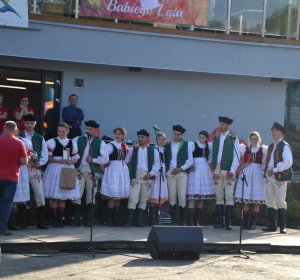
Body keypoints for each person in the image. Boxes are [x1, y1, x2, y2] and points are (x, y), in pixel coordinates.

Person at [43, 123, 80, 227]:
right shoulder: (51, 142)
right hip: (55, 169)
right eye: (59, 131)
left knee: (63, 196)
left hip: (67, 169)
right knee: (54, 196)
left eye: (63, 131)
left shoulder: (72, 143)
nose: (61, 133)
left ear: (67, 131)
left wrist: (70, 162)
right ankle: (54, 220)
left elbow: (76, 158)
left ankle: (60, 220)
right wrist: (58, 161)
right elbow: (47, 158)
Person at [73, 120, 108, 227]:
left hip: (92, 171)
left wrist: (93, 159)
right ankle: (76, 219)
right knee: (77, 195)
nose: (88, 130)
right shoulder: (77, 139)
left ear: (95, 130)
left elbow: (105, 159)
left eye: (91, 129)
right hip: (79, 170)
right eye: (87, 128)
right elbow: (71, 152)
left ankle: (88, 220)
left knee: (91, 195)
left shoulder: (100, 142)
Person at [262, 122, 293, 234]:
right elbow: (266, 161)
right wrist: (265, 173)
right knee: (270, 200)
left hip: (279, 176)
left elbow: (288, 162)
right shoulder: (271, 146)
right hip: (269, 176)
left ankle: (282, 226)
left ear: (281, 133)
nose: (272, 132)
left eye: (275, 130)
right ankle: (272, 225)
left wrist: (274, 170)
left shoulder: (284, 146)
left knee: (280, 201)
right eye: (272, 130)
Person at [125, 129, 160, 227]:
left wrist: (151, 173)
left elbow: (158, 164)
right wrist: (129, 150)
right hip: (136, 175)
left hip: (147, 175)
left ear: (147, 138)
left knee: (144, 199)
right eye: (139, 137)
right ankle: (130, 220)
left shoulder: (153, 150)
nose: (140, 139)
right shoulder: (133, 149)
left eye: (142, 137)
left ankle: (140, 221)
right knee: (133, 197)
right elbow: (126, 161)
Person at [235, 131, 267, 230]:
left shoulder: (263, 149)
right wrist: (242, 164)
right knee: (245, 200)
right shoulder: (244, 148)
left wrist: (264, 170)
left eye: (256, 139)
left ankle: (253, 223)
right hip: (247, 173)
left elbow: (265, 162)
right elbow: (235, 153)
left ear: (258, 139)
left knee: (256, 201)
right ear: (250, 139)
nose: (254, 140)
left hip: (257, 174)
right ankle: (245, 222)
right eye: (252, 139)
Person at [211, 116, 239, 230]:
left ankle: (228, 222)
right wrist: (213, 167)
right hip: (217, 169)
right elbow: (213, 153)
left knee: (228, 195)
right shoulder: (216, 138)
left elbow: (236, 156)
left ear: (227, 126)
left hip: (228, 170)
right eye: (220, 124)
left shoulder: (233, 138)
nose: (220, 126)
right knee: (218, 195)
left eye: (222, 124)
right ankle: (220, 221)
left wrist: (232, 170)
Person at [0, 121, 28, 235]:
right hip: (11, 178)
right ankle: (2, 228)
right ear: (15, 130)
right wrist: (29, 158)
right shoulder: (19, 143)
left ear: (4, 128)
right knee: (7, 203)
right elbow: (23, 161)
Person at [22, 114, 49, 229]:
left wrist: (40, 163)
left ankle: (40, 222)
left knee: (39, 194)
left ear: (35, 124)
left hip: (35, 169)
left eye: (32, 123)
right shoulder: (18, 136)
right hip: (22, 168)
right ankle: (21, 222)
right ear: (24, 123)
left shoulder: (40, 137)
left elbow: (45, 154)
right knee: (21, 194)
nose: (30, 125)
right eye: (27, 123)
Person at [100, 128, 130, 226]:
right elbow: (103, 156)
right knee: (112, 196)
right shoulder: (110, 146)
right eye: (116, 134)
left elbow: (127, 159)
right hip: (113, 170)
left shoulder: (125, 146)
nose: (117, 136)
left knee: (119, 197)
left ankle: (115, 219)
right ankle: (108, 219)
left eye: (119, 134)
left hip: (122, 170)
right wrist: (105, 162)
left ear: (123, 136)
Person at [165, 125, 193, 226]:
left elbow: (190, 160)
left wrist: (180, 168)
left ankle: (181, 221)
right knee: (172, 196)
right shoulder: (168, 145)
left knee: (181, 196)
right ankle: (173, 221)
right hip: (171, 172)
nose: (176, 136)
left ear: (182, 135)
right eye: (174, 134)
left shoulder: (187, 144)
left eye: (178, 134)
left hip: (181, 172)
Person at [186, 130, 215, 226]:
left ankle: (196, 220)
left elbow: (210, 159)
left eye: (203, 137)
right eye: (200, 137)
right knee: (193, 196)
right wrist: (191, 165)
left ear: (206, 138)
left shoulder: (209, 146)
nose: (201, 139)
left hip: (204, 170)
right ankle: (189, 221)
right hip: (196, 169)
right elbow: (190, 157)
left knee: (201, 197)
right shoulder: (193, 145)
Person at [8, 137, 32, 230]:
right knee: (13, 198)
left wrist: (30, 157)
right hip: (14, 169)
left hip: (21, 171)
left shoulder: (24, 142)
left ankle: (22, 222)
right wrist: (27, 158)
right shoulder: (19, 142)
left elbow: (31, 154)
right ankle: (12, 223)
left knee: (21, 198)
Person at [148, 132, 169, 225]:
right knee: (154, 196)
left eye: (163, 139)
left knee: (160, 197)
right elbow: (155, 163)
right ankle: (152, 219)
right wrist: (153, 172)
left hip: (163, 173)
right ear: (156, 140)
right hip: (156, 173)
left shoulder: (164, 149)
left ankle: (157, 218)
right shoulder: (154, 149)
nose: (161, 141)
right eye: (159, 139)